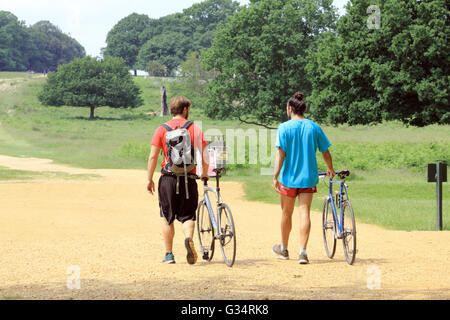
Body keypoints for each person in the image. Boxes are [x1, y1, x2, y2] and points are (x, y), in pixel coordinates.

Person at [272, 92, 335, 264]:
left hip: (288, 179)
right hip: (308, 178)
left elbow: (280, 154)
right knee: (304, 212)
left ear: (290, 109)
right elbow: (325, 151)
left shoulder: (284, 128)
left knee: (286, 213)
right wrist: (330, 168)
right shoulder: (314, 127)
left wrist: (275, 175)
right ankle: (302, 252)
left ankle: (284, 249)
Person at [147, 96, 209, 265]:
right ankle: (188, 238)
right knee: (188, 215)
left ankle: (169, 255)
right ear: (184, 110)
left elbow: (153, 156)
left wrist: (149, 179)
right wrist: (203, 173)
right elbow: (204, 154)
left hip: (167, 179)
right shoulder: (194, 128)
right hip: (188, 179)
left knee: (167, 217)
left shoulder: (162, 129)